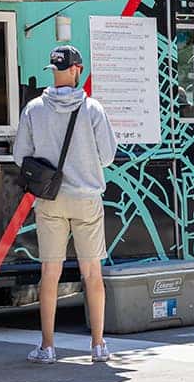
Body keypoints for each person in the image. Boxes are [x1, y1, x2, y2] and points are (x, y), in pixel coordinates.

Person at [13, 45, 117, 364]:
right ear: (78, 70)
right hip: (86, 199)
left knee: (50, 273)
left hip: (50, 200)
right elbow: (109, 156)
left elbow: (21, 156)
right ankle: (98, 346)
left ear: (56, 71)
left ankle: (47, 346)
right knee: (92, 273)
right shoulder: (94, 110)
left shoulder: (33, 109)